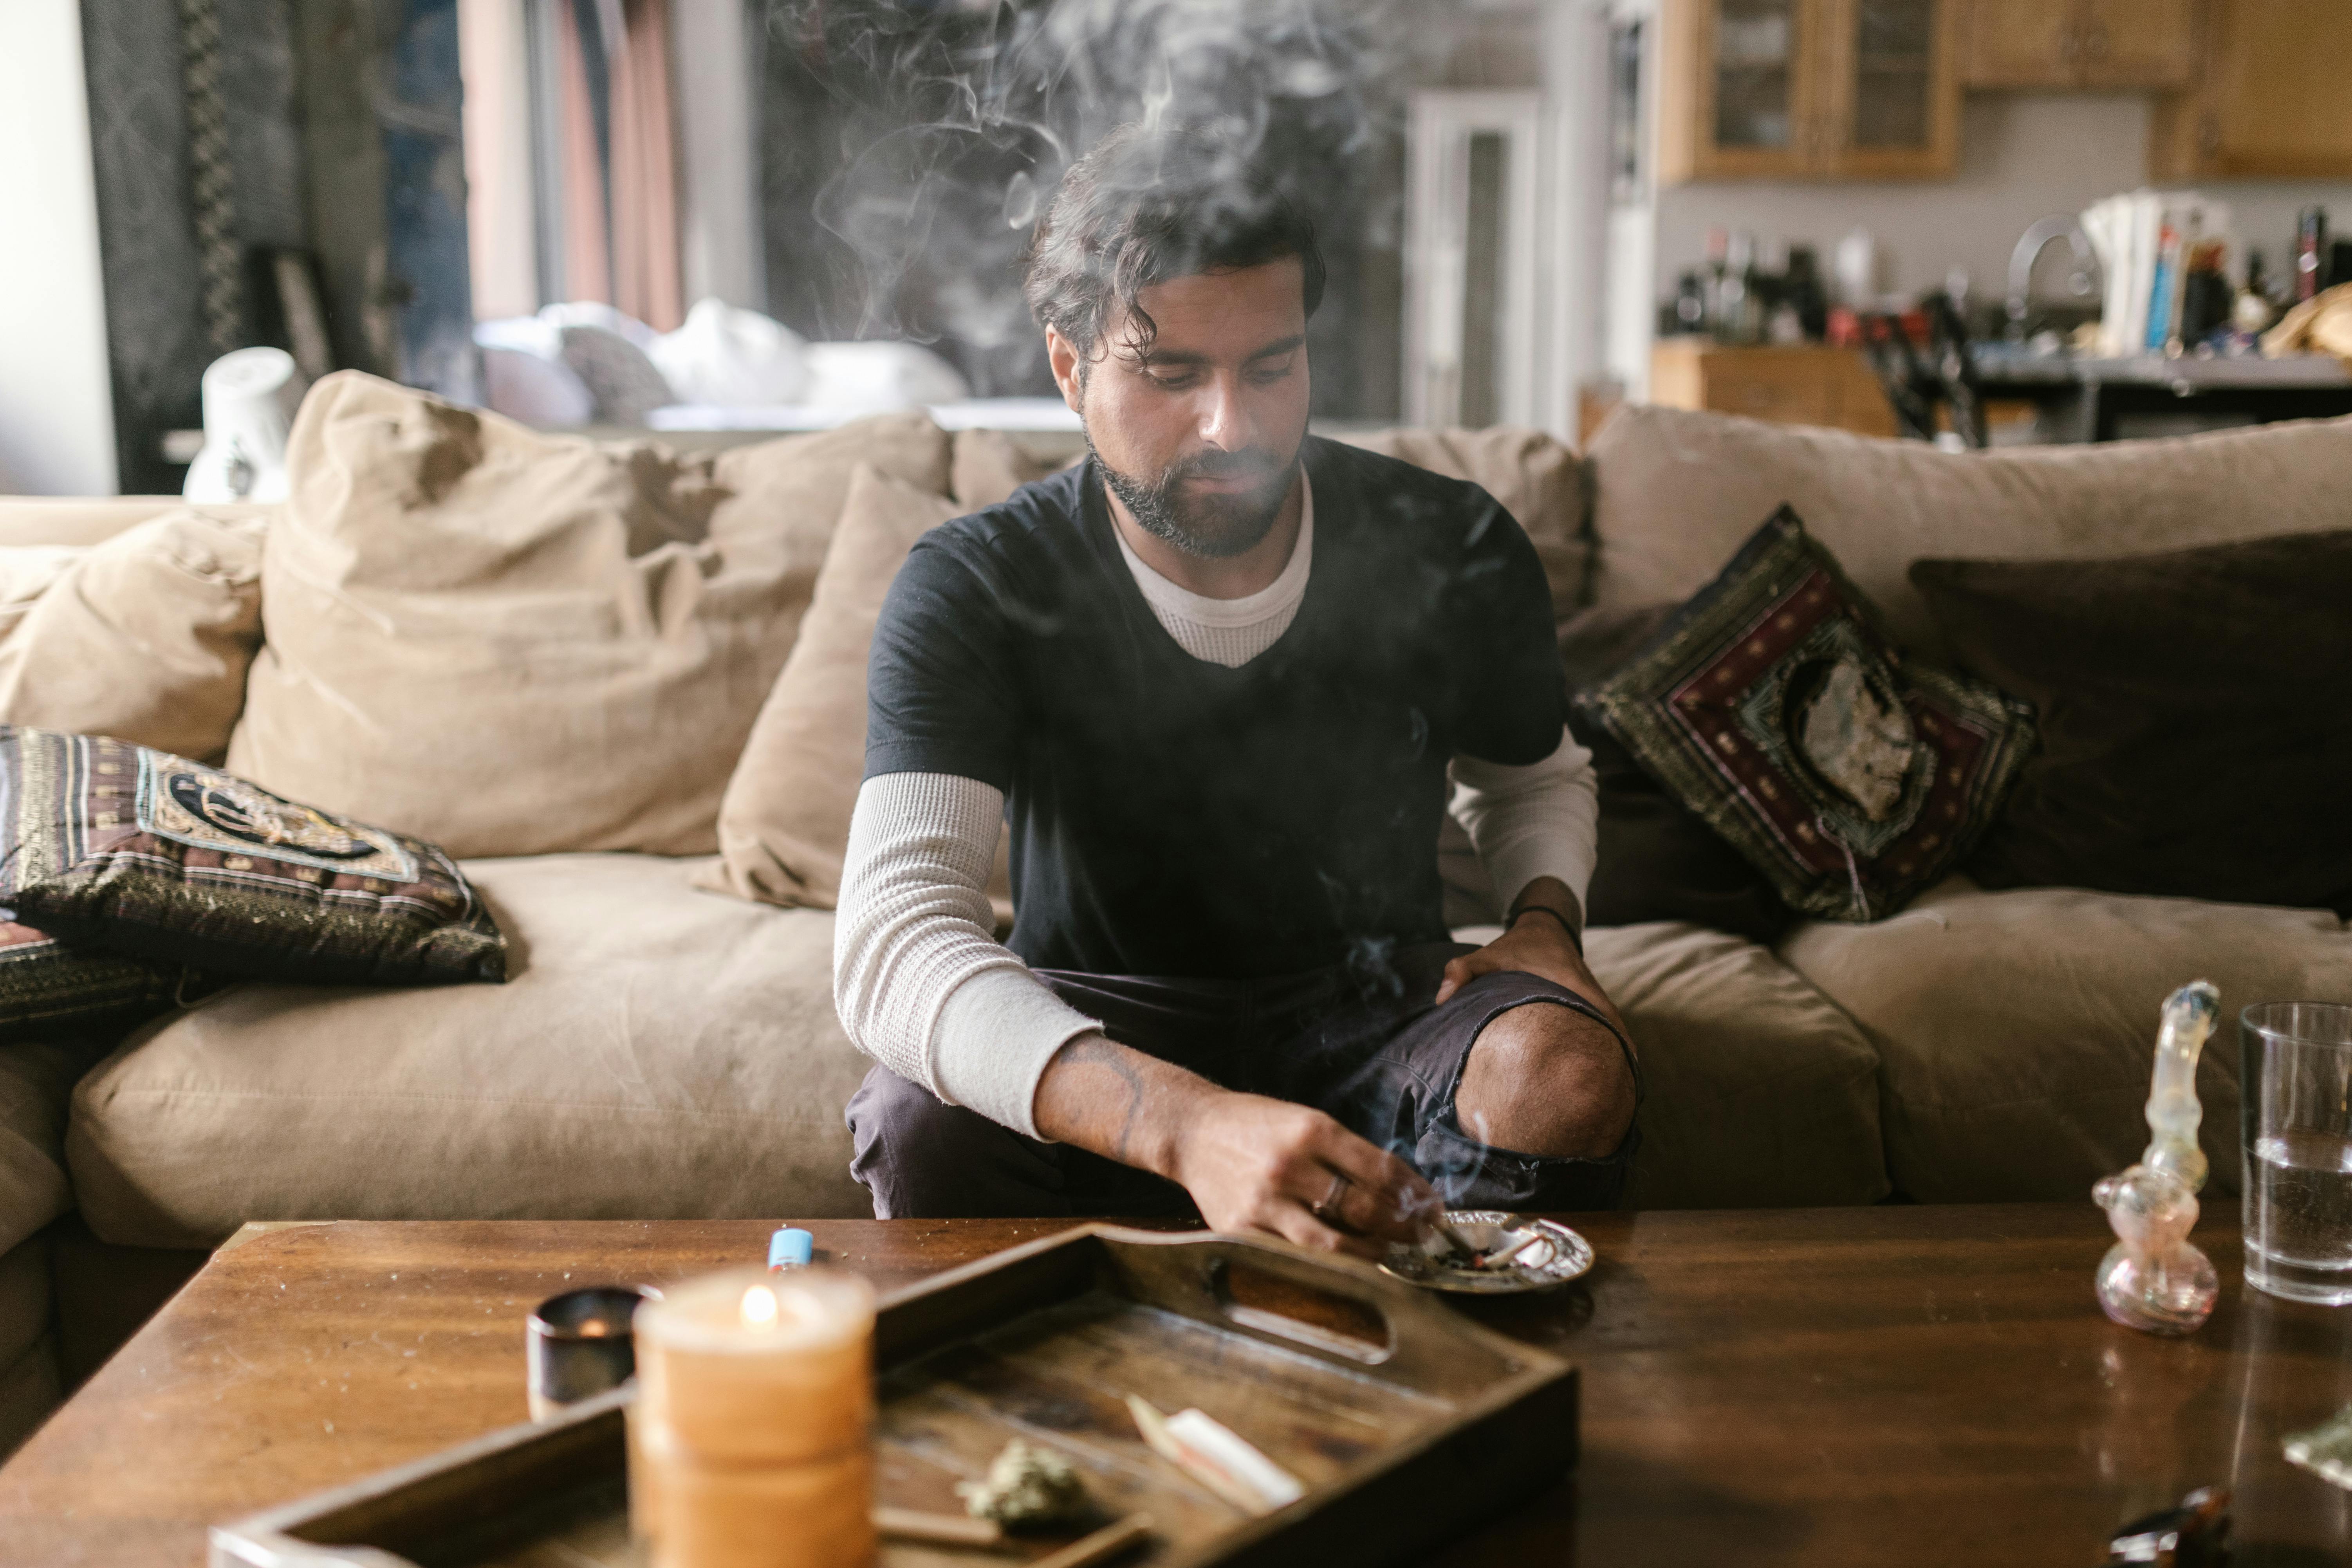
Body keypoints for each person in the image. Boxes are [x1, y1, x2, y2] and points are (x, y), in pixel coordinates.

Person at [834, 121, 1639, 1257]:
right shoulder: (976, 585)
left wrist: (1547, 922)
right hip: (1102, 1025)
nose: (1234, 428)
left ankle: (1460, 1375)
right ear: (1069, 367)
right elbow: (893, 944)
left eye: (1272, 366)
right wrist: (1188, 1126)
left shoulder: (1449, 540)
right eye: (1169, 374)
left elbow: (1535, 781)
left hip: (1383, 1011)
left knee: (1563, 1073)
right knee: (920, 1124)